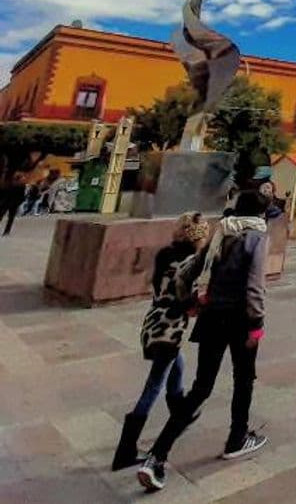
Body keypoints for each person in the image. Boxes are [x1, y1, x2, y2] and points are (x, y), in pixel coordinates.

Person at [137, 190, 271, 492]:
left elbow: (185, 273)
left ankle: (156, 457)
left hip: (211, 319)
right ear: (261, 215)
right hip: (239, 320)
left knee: (201, 387)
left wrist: (191, 304)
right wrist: (257, 326)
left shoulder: (220, 234)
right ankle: (237, 438)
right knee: (244, 378)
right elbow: (254, 288)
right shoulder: (256, 238)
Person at [112, 212, 210, 471]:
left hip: (153, 322)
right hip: (170, 327)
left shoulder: (164, 254)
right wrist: (202, 303)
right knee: (154, 386)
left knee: (177, 366)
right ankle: (125, 450)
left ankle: (180, 412)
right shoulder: (192, 262)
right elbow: (186, 300)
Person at [2, 172, 24, 236]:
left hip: (8, 202)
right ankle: (7, 232)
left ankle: (7, 231)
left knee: (8, 217)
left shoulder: (11, 183)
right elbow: (22, 197)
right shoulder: (20, 185)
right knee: (10, 218)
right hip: (11, 203)